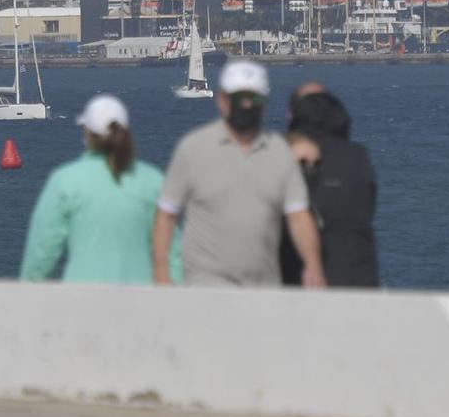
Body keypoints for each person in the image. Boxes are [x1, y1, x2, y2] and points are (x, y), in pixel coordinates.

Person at [153, 60, 324, 288]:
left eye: (252, 99)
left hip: (263, 290)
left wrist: (313, 266)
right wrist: (161, 274)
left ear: (264, 104)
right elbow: (166, 214)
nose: (245, 106)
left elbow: (299, 217)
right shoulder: (193, 149)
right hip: (205, 288)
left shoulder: (280, 154)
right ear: (222, 101)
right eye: (238, 99)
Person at [20, 95, 177, 284]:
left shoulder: (65, 180)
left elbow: (42, 251)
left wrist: (29, 288)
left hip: (81, 299)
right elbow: (174, 252)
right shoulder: (153, 181)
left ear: (86, 132)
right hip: (140, 301)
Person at [278, 89, 379, 289]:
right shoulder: (357, 157)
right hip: (355, 277)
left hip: (295, 279)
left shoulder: (281, 156)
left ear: (292, 115)